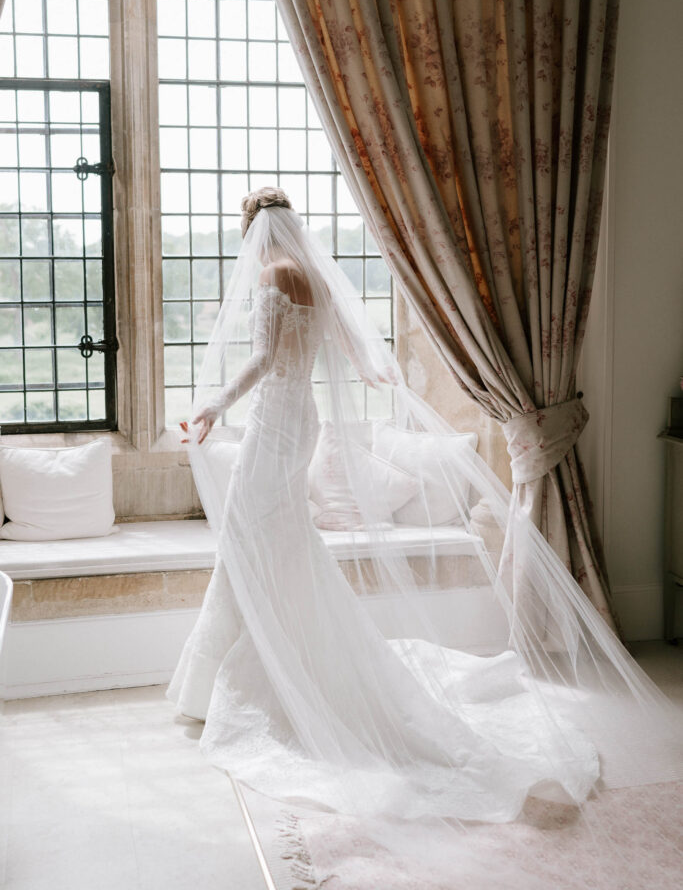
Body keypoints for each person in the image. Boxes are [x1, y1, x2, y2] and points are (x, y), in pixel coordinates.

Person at [168, 186, 678, 834]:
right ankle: (264, 663)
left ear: (253, 234)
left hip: (272, 428)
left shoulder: (272, 275)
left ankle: (242, 679)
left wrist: (212, 405)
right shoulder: (316, 278)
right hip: (302, 426)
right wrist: (382, 374)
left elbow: (265, 359)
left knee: (249, 543)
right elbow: (352, 351)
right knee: (279, 543)